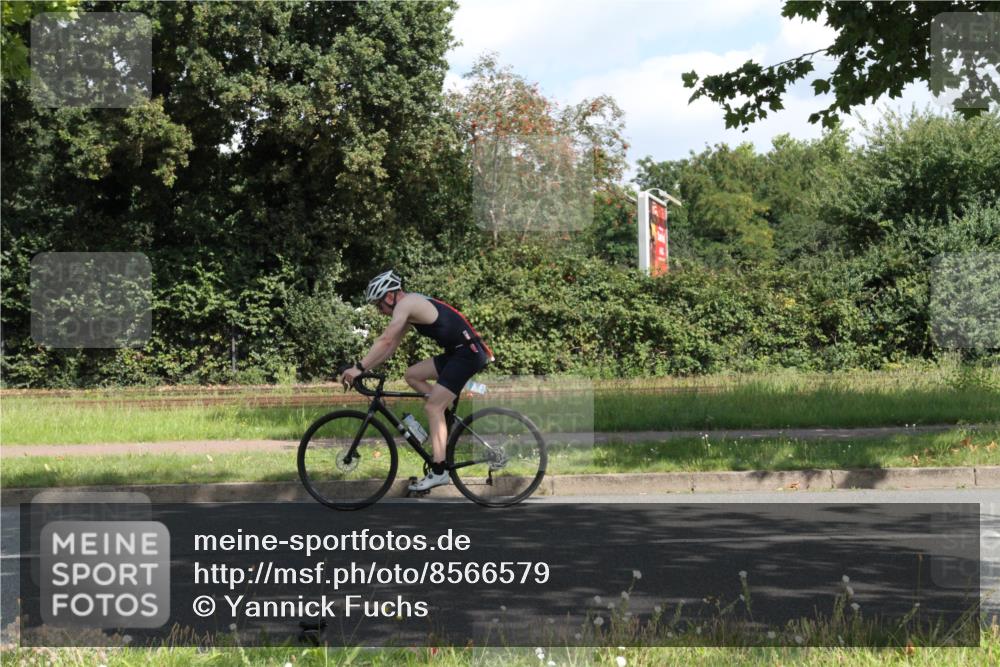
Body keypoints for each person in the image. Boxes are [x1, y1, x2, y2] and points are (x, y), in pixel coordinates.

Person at [339, 269, 493, 491]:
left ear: (390, 296)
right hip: (457, 353)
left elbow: (385, 339)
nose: (379, 310)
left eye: (379, 304)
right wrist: (361, 370)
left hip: (466, 354)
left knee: (432, 408)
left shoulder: (407, 303)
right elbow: (389, 347)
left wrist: (359, 367)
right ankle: (443, 414)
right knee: (412, 375)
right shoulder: (408, 309)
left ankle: (439, 471)